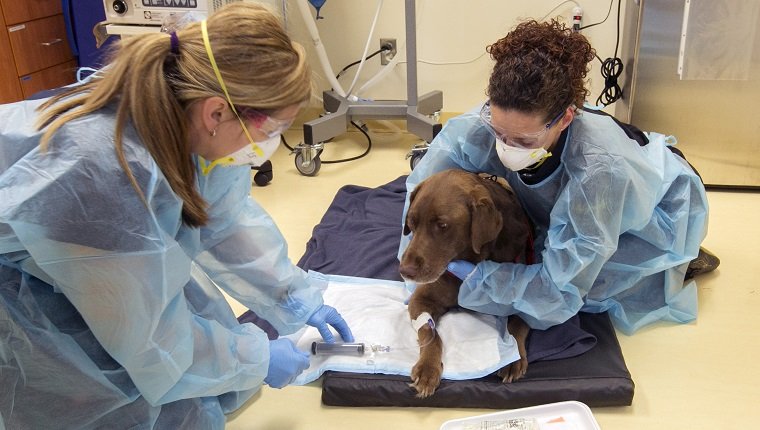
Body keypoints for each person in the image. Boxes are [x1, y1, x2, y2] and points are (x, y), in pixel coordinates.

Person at [0, 3, 353, 429]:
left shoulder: (181, 118)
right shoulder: (101, 178)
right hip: (27, 269)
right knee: (109, 394)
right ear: (217, 112)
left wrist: (295, 297)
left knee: (197, 346)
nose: (273, 144)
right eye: (273, 129)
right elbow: (150, 341)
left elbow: (221, 222)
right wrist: (257, 359)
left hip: (84, 246)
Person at [399, 19, 719, 336]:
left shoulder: (598, 169)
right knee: (540, 247)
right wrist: (417, 256)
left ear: (565, 118)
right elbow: (425, 188)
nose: (507, 148)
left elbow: (555, 295)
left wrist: (475, 282)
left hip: (659, 209)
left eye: (523, 141)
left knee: (590, 284)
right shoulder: (483, 125)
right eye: (499, 132)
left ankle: (679, 263)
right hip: (588, 184)